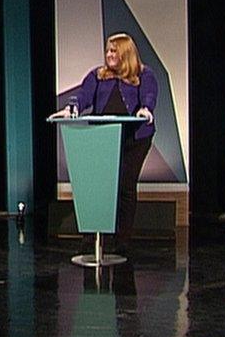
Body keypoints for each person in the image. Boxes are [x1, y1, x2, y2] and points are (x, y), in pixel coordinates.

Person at [49, 33, 158, 250]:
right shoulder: (97, 75)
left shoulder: (144, 74)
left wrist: (146, 109)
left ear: (125, 53)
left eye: (113, 51)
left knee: (126, 186)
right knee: (97, 186)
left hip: (135, 139)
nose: (109, 55)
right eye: (108, 51)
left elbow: (149, 96)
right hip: (103, 139)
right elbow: (83, 96)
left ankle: (122, 240)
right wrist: (73, 108)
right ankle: (93, 237)